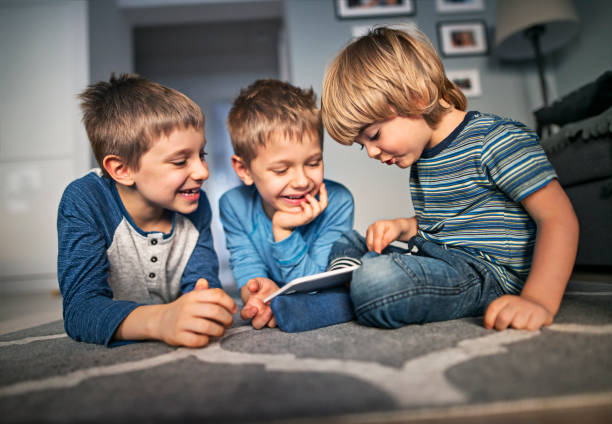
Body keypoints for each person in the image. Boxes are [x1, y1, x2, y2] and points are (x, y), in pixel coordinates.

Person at [321, 27, 579, 331]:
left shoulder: (495, 140)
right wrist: (404, 227)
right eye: (362, 144)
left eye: (374, 135)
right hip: (438, 257)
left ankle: (338, 297)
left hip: (487, 274)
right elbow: (450, 220)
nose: (371, 153)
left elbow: (558, 219)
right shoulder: (424, 153)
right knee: (348, 241)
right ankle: (340, 293)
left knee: (377, 279)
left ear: (416, 97)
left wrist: (538, 300)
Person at [57, 73, 237, 347]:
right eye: (179, 162)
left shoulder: (193, 204)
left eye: (202, 154)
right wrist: (162, 320)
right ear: (122, 169)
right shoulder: (85, 200)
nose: (203, 172)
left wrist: (206, 303)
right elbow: (80, 311)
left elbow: (203, 283)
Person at [220, 79, 354, 330]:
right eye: (281, 170)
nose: (302, 181)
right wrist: (258, 295)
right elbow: (247, 266)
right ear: (244, 169)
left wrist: (282, 231)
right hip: (283, 292)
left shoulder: (338, 201)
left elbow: (316, 283)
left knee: (354, 284)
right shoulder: (233, 205)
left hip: (319, 281)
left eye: (313, 163)